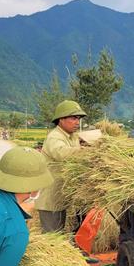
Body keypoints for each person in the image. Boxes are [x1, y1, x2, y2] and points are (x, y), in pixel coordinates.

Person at [34, 100, 87, 233]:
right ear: (61, 119)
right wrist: (86, 151)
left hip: (61, 195)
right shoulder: (54, 137)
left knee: (59, 233)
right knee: (52, 237)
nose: (77, 122)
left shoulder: (72, 136)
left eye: (78, 118)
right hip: (51, 198)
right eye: (73, 118)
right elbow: (63, 154)